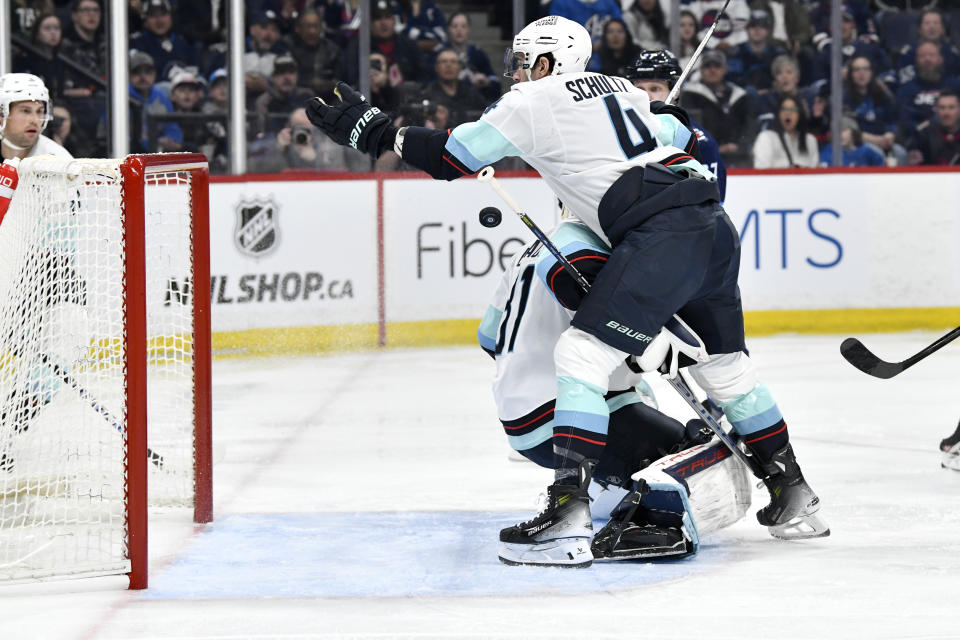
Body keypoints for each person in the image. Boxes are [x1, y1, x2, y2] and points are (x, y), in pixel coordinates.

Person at [306, 15, 829, 567]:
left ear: (548, 62)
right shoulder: (624, 88)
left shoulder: (534, 102)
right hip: (712, 225)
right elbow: (682, 135)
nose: (515, 74)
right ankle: (795, 497)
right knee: (727, 369)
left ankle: (567, 511)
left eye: (523, 61)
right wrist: (668, 119)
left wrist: (380, 133)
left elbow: (453, 156)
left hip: (658, 232)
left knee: (581, 353)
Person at [478, 217, 751, 561]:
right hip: (563, 412)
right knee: (682, 457)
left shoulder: (526, 252)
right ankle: (569, 519)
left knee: (674, 447)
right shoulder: (591, 247)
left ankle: (598, 490)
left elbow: (488, 337)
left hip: (524, 415)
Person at [626, 49, 727, 200]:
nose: (645, 96)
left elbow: (711, 205)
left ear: (675, 91)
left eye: (655, 88)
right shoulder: (620, 132)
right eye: (639, 89)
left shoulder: (700, 143)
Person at [680, 49, 755, 167]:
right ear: (701, 70)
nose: (712, 70)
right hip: (704, 158)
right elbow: (691, 127)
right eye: (707, 66)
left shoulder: (740, 96)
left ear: (725, 69)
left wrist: (739, 146)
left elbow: (749, 126)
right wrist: (716, 147)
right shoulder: (690, 95)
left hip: (739, 157)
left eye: (717, 66)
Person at [0, 73, 71, 161]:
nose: (35, 120)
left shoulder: (59, 160)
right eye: (25, 111)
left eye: (39, 111)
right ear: (2, 114)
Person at [418, 48, 488, 128]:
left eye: (453, 62)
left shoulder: (472, 93)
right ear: (436, 68)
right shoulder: (426, 94)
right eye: (444, 61)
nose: (448, 65)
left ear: (460, 67)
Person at [443, 12, 501, 103]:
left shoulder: (478, 54)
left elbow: (496, 83)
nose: (459, 30)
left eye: (463, 26)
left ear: (468, 29)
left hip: (475, 103)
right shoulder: (441, 54)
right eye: (455, 26)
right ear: (448, 29)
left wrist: (486, 82)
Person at [752, 94, 819, 168]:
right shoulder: (767, 138)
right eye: (784, 109)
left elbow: (814, 172)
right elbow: (761, 171)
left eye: (793, 109)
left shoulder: (810, 140)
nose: (788, 113)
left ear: (800, 115)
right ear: (778, 114)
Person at [907, 89, 960, 165]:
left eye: (951, 108)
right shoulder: (923, 134)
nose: (946, 113)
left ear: (959, 109)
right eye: (942, 108)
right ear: (936, 110)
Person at [818, 116, 885, 167]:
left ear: (853, 132)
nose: (840, 134)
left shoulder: (867, 151)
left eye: (844, 130)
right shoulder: (829, 150)